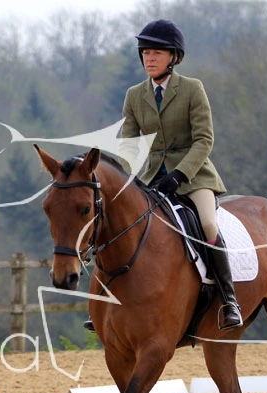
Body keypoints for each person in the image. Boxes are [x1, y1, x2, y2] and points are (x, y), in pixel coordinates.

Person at [86, 19, 243, 332]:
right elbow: (130, 146)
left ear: (174, 57)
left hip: (194, 177)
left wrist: (180, 174)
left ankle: (229, 299)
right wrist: (125, 180)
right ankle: (103, 300)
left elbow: (204, 140)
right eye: (145, 53)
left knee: (208, 224)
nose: (149, 58)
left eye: (156, 53)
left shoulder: (192, 89)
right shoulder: (134, 95)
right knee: (113, 224)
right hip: (151, 179)